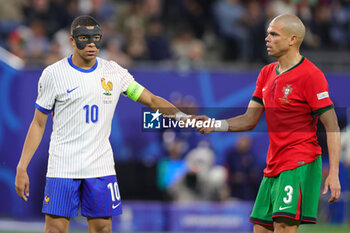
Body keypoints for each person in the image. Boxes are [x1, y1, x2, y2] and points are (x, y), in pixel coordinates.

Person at [14, 15, 187, 233]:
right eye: (84, 38)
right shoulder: (53, 74)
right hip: (62, 167)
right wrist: (22, 166)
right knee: (55, 229)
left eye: (96, 38)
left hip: (100, 167)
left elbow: (152, 100)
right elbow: (38, 124)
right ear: (72, 41)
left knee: (103, 229)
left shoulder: (114, 73)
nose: (91, 44)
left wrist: (184, 118)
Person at [195, 14, 341, 233]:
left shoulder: (311, 75)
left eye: (274, 34)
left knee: (283, 226)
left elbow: (332, 125)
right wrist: (215, 124)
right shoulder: (266, 73)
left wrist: (334, 172)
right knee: (261, 230)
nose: (267, 38)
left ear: (293, 39)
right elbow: (249, 119)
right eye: (267, 33)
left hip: (299, 162)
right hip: (273, 164)